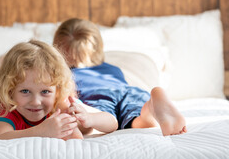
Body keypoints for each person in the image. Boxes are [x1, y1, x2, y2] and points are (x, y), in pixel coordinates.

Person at [53, 18, 187, 136]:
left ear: (57, 52)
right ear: (100, 47)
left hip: (97, 97)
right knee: (136, 114)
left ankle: (149, 114)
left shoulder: (67, 74)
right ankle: (151, 106)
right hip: (131, 91)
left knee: (103, 120)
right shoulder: (112, 69)